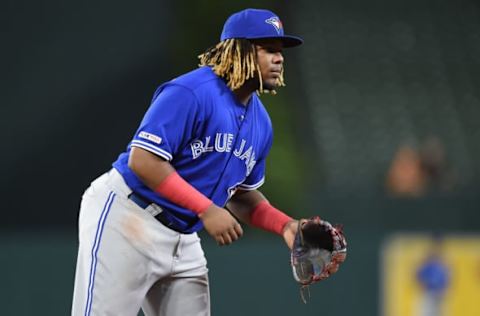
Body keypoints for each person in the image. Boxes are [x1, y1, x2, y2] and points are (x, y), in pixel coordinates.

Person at [71, 8, 343, 316]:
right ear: (237, 49)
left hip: (183, 235)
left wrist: (285, 225)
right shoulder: (190, 92)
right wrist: (206, 208)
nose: (279, 58)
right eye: (268, 49)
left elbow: (239, 195)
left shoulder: (261, 124)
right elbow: (143, 160)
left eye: (280, 52)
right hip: (128, 217)